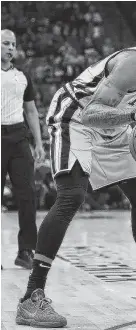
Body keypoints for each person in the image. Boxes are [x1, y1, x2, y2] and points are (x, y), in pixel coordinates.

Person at [16, 9, 136, 328]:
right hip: (75, 118)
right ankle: (31, 298)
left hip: (118, 127)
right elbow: (92, 113)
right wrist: (134, 117)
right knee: (71, 198)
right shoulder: (135, 64)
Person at [1, 30, 45, 269]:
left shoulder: (23, 75)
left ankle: (26, 250)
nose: (10, 48)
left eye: (13, 44)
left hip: (19, 137)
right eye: (5, 43)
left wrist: (38, 142)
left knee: (28, 195)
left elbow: (30, 111)